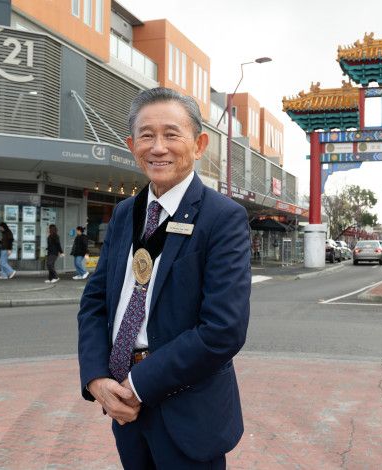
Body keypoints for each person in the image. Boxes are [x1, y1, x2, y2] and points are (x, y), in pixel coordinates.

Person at [77, 87, 251, 469]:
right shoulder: (125, 213)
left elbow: (223, 329)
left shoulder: (222, 218)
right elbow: (95, 303)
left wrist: (140, 384)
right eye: (146, 135)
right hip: (124, 407)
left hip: (188, 410)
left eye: (172, 134)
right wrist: (95, 379)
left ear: (199, 143)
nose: (158, 147)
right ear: (131, 144)